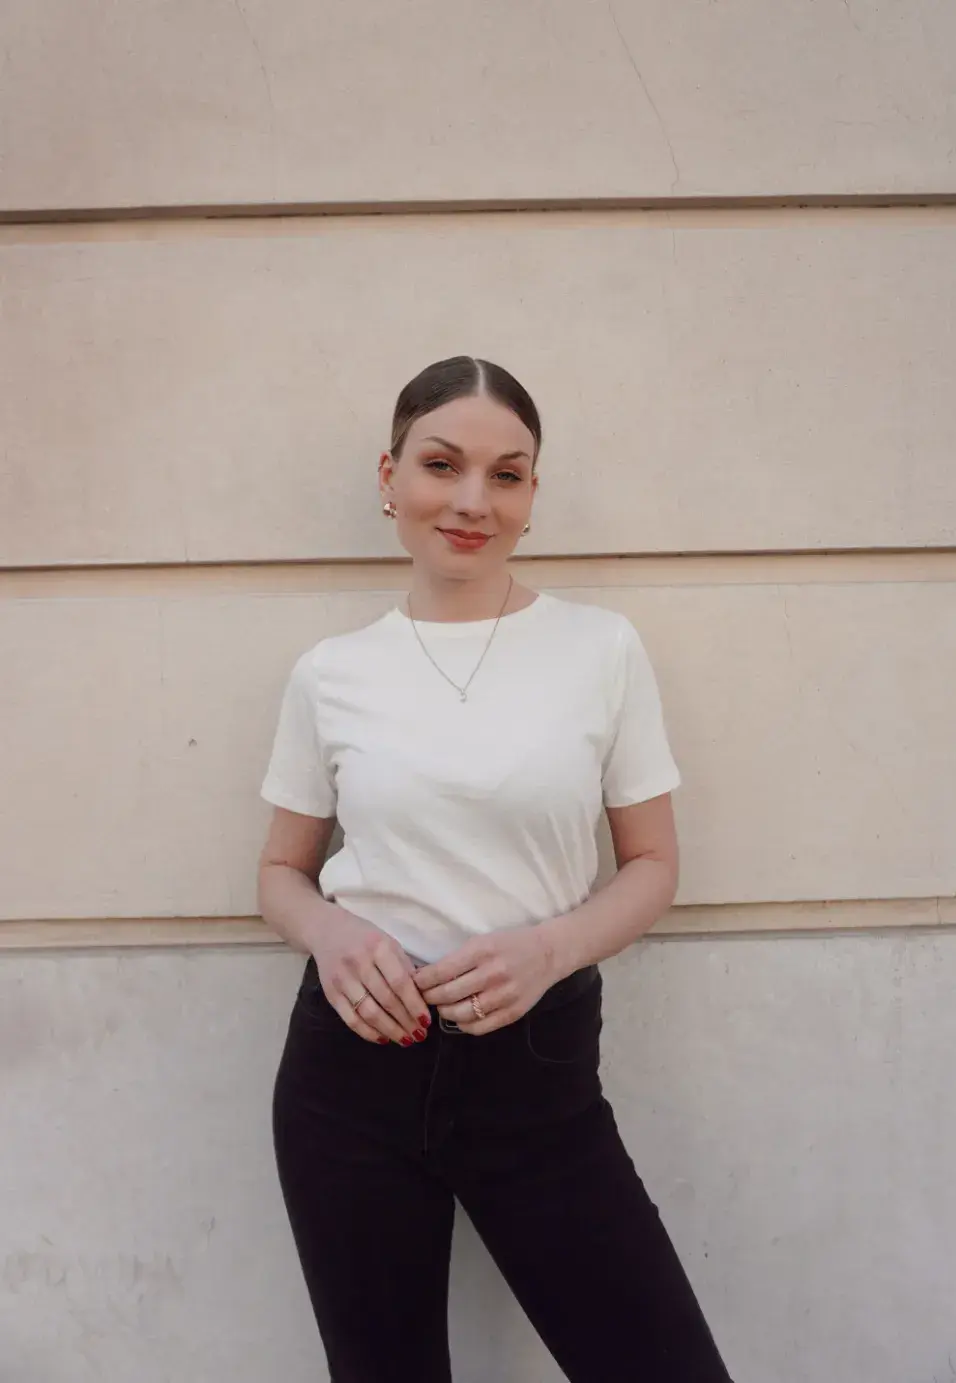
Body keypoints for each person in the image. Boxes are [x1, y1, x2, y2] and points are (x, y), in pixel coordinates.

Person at [257, 356, 733, 1382]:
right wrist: (336, 936)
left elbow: (653, 864)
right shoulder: (331, 674)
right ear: (389, 477)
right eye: (442, 465)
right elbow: (280, 875)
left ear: (530, 496)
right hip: (350, 1082)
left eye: (507, 475)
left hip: (539, 1080)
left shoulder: (599, 650)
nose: (472, 501)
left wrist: (550, 949)